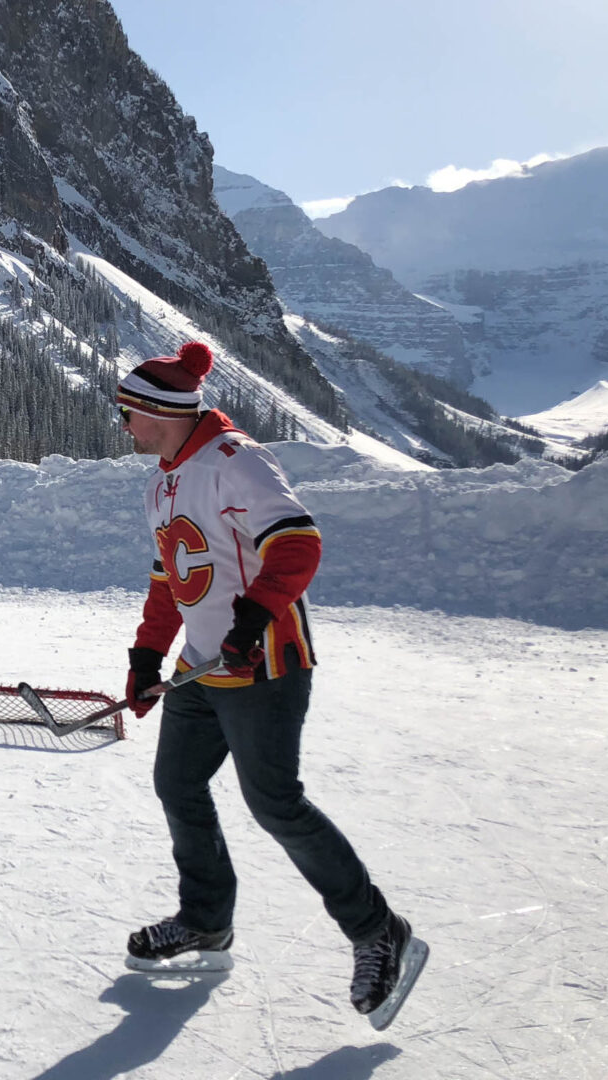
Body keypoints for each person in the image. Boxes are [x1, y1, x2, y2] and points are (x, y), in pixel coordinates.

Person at [116, 341, 424, 1024]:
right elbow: (172, 578)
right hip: (201, 669)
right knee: (178, 783)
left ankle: (376, 928)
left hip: (263, 666)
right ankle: (205, 920)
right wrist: (145, 657)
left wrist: (252, 619)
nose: (124, 427)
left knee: (276, 804)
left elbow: (298, 543)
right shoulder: (161, 480)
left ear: (158, 412)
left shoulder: (236, 461)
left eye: (127, 414)